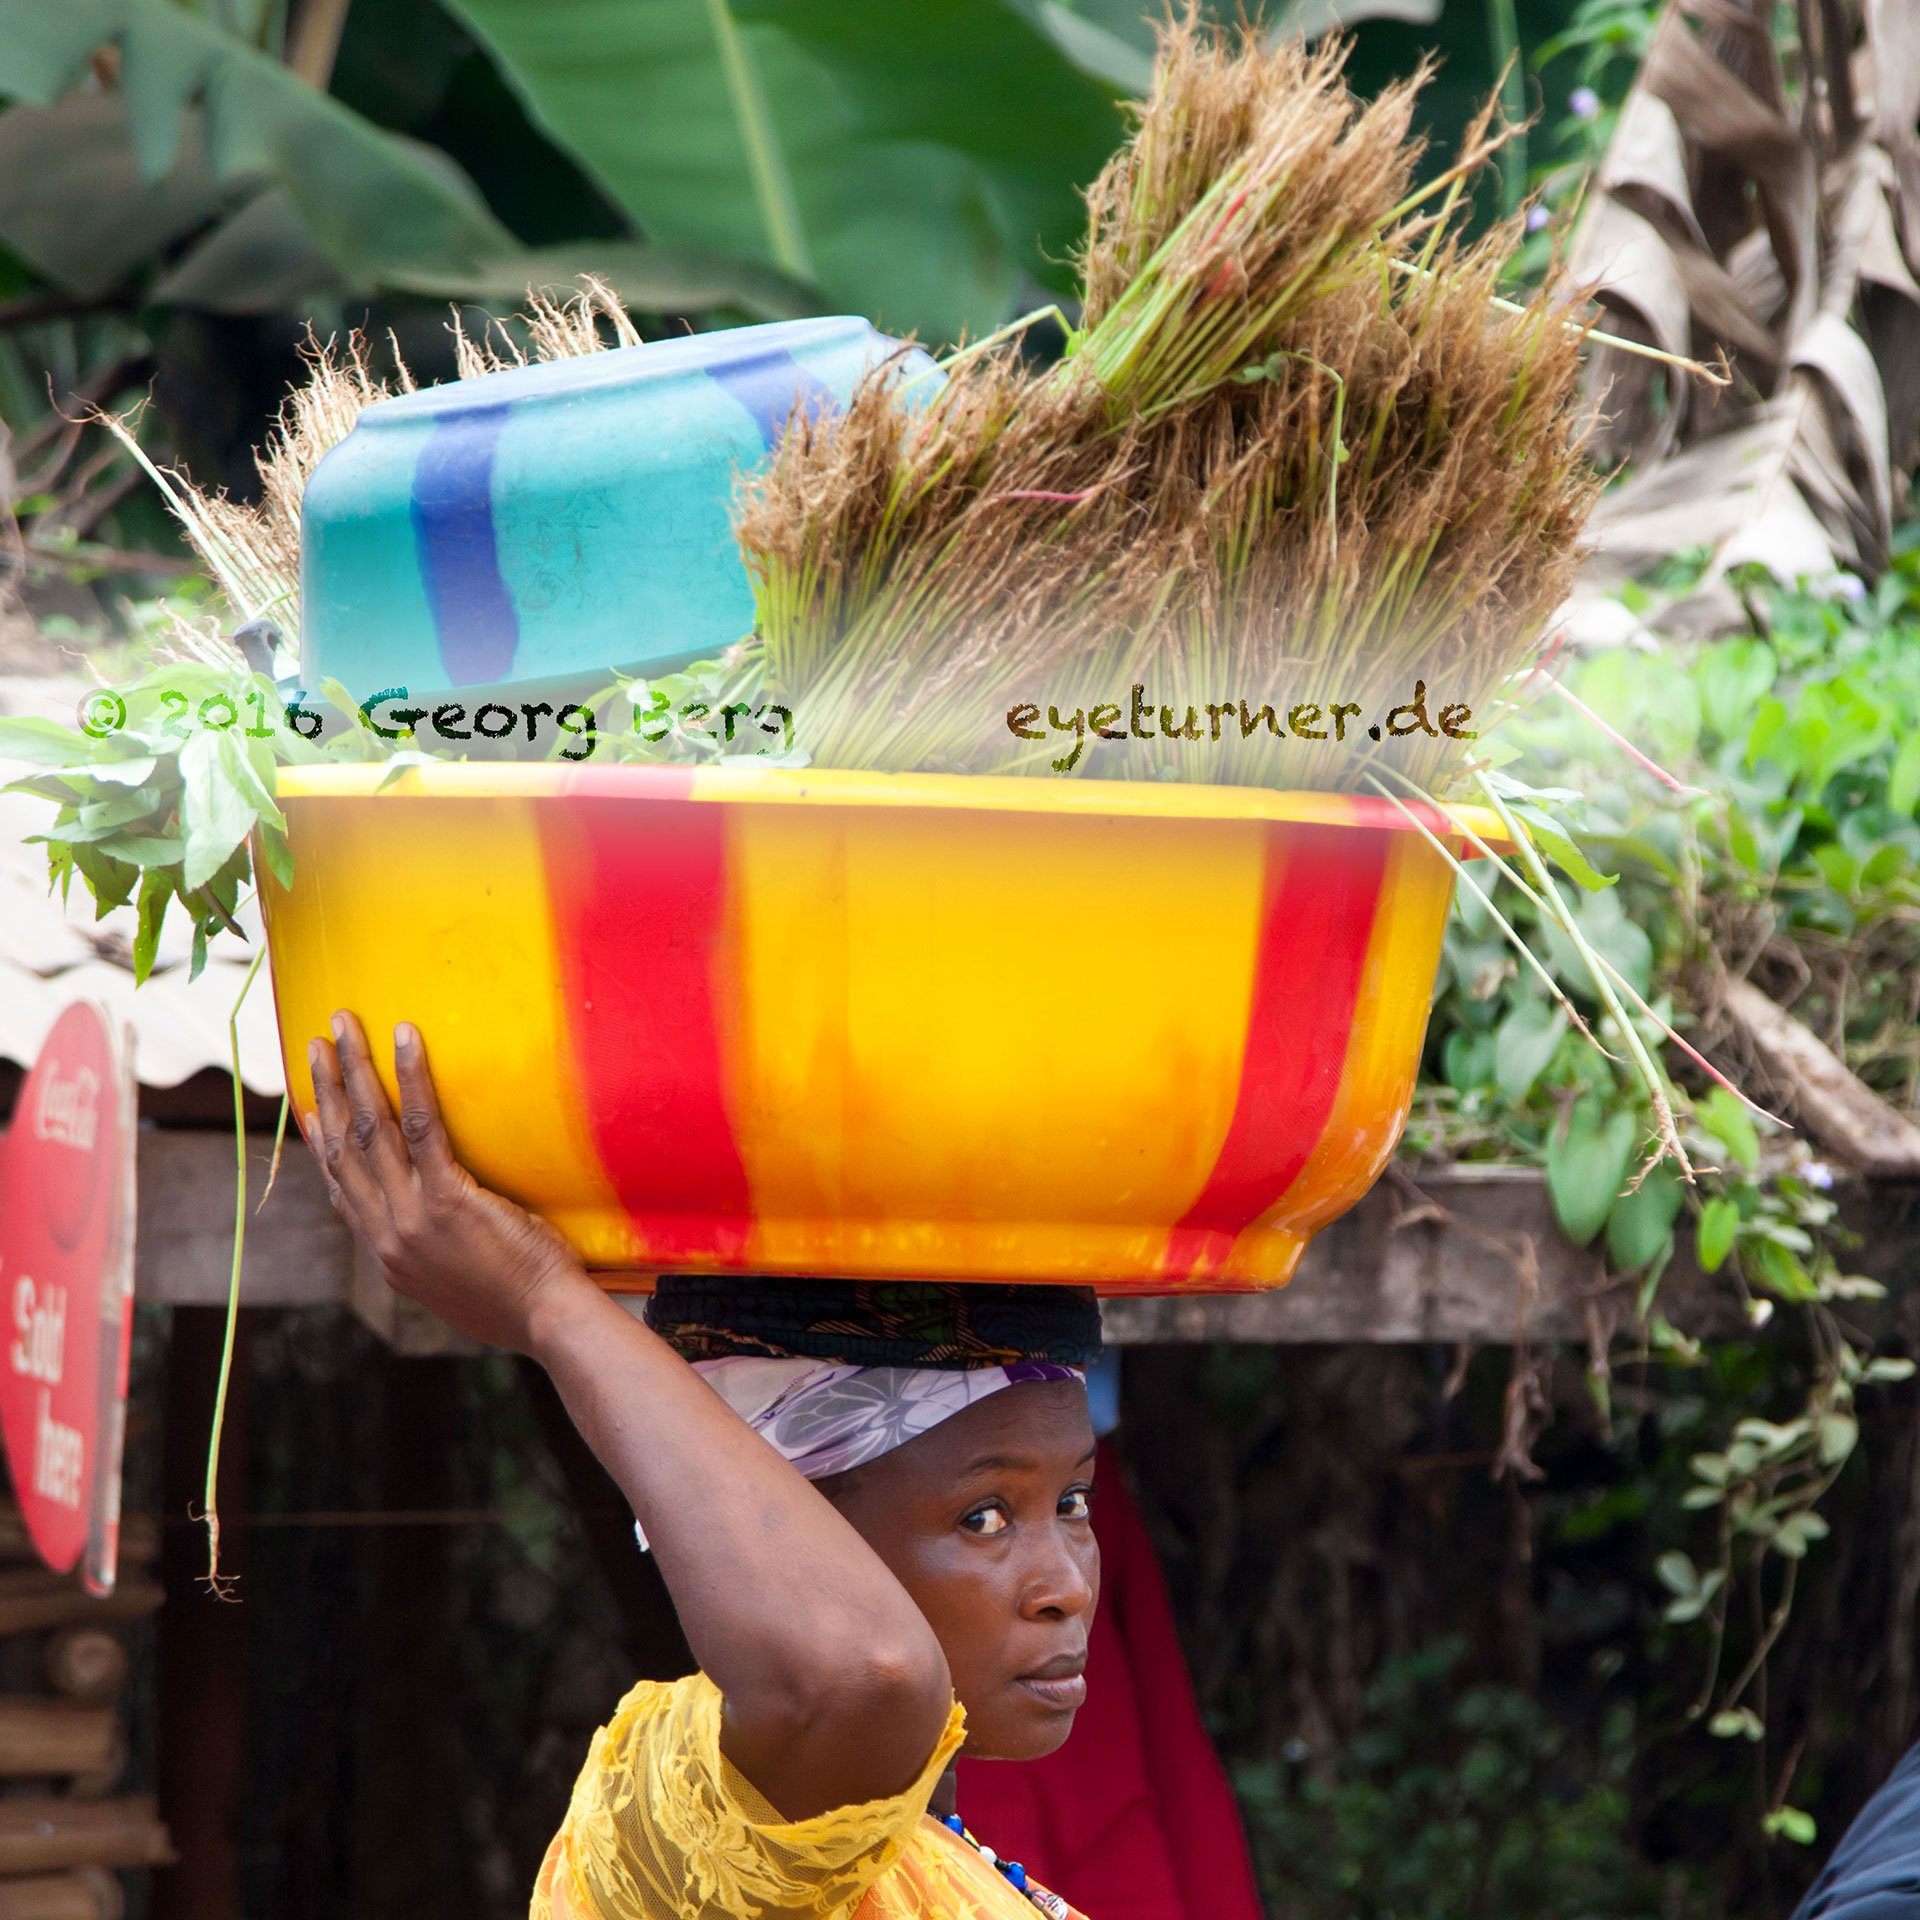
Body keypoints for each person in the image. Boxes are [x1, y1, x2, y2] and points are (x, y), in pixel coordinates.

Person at [301, 1010, 1104, 1920]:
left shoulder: (958, 1868)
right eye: (985, 1516)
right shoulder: (680, 1835)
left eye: (1073, 1501)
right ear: (787, 1514)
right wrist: (542, 1303)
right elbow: (865, 1675)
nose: (1066, 1585)